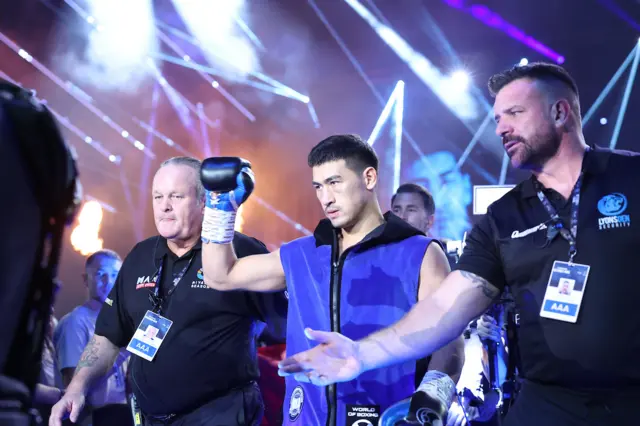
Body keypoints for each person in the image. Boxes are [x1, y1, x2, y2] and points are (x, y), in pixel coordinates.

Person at [277, 62, 640, 426]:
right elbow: (444, 308)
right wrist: (360, 354)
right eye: (497, 117)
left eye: (514, 113)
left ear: (560, 111)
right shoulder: (504, 216)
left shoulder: (631, 178)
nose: (501, 128)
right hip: (547, 404)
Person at [199, 135, 465, 426]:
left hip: (389, 418)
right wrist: (221, 207)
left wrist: (430, 400)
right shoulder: (303, 253)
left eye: (335, 182)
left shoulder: (420, 252)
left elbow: (449, 339)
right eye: (318, 186)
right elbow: (220, 275)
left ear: (369, 177)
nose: (326, 197)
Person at [49, 157, 287, 426]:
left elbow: (289, 319)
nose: (164, 205)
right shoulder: (140, 257)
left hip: (221, 414)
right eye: (158, 196)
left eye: (176, 195)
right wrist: (76, 389)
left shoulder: (239, 251)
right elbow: (107, 338)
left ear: (203, 201)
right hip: (151, 419)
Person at [53, 249, 131, 426]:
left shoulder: (119, 322)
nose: (109, 281)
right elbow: (72, 387)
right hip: (91, 419)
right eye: (100, 274)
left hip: (120, 416)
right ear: (85, 279)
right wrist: (124, 352)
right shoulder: (75, 323)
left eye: (115, 274)